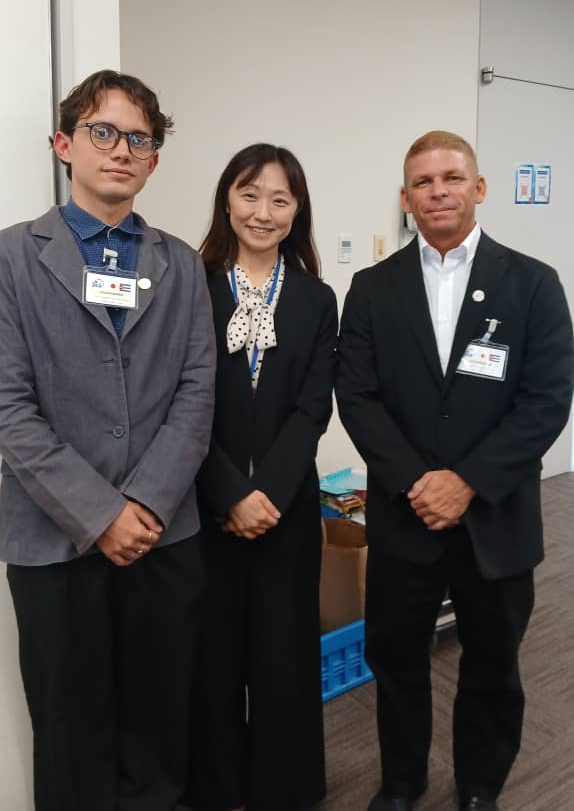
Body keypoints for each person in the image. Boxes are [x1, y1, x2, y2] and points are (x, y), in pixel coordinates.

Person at [336, 131, 574, 811]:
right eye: (422, 181)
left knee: (493, 665)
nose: (436, 190)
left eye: (450, 176)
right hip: (404, 518)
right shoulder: (373, 288)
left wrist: (466, 481)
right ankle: (402, 783)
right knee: (398, 662)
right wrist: (420, 482)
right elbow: (357, 395)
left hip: (495, 519)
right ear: (406, 198)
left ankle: (479, 787)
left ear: (478, 188)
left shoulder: (532, 283)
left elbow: (546, 398)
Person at [0, 70, 216, 811]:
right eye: (102, 132)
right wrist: (101, 515)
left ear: (153, 160)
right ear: (65, 144)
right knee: (69, 724)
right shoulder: (9, 259)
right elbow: (9, 408)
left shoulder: (181, 264)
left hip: (164, 536)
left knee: (157, 722)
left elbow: (196, 393)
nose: (120, 150)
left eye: (138, 139)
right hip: (53, 543)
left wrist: (144, 506)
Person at [186, 143, 337, 811]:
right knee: (212, 660)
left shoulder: (315, 297)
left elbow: (313, 406)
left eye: (280, 199)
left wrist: (265, 495)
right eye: (250, 194)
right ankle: (214, 789)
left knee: (285, 659)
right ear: (227, 198)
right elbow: (178, 400)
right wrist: (229, 494)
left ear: (297, 209)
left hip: (286, 512)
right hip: (203, 508)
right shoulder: (190, 283)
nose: (263, 212)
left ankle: (285, 789)